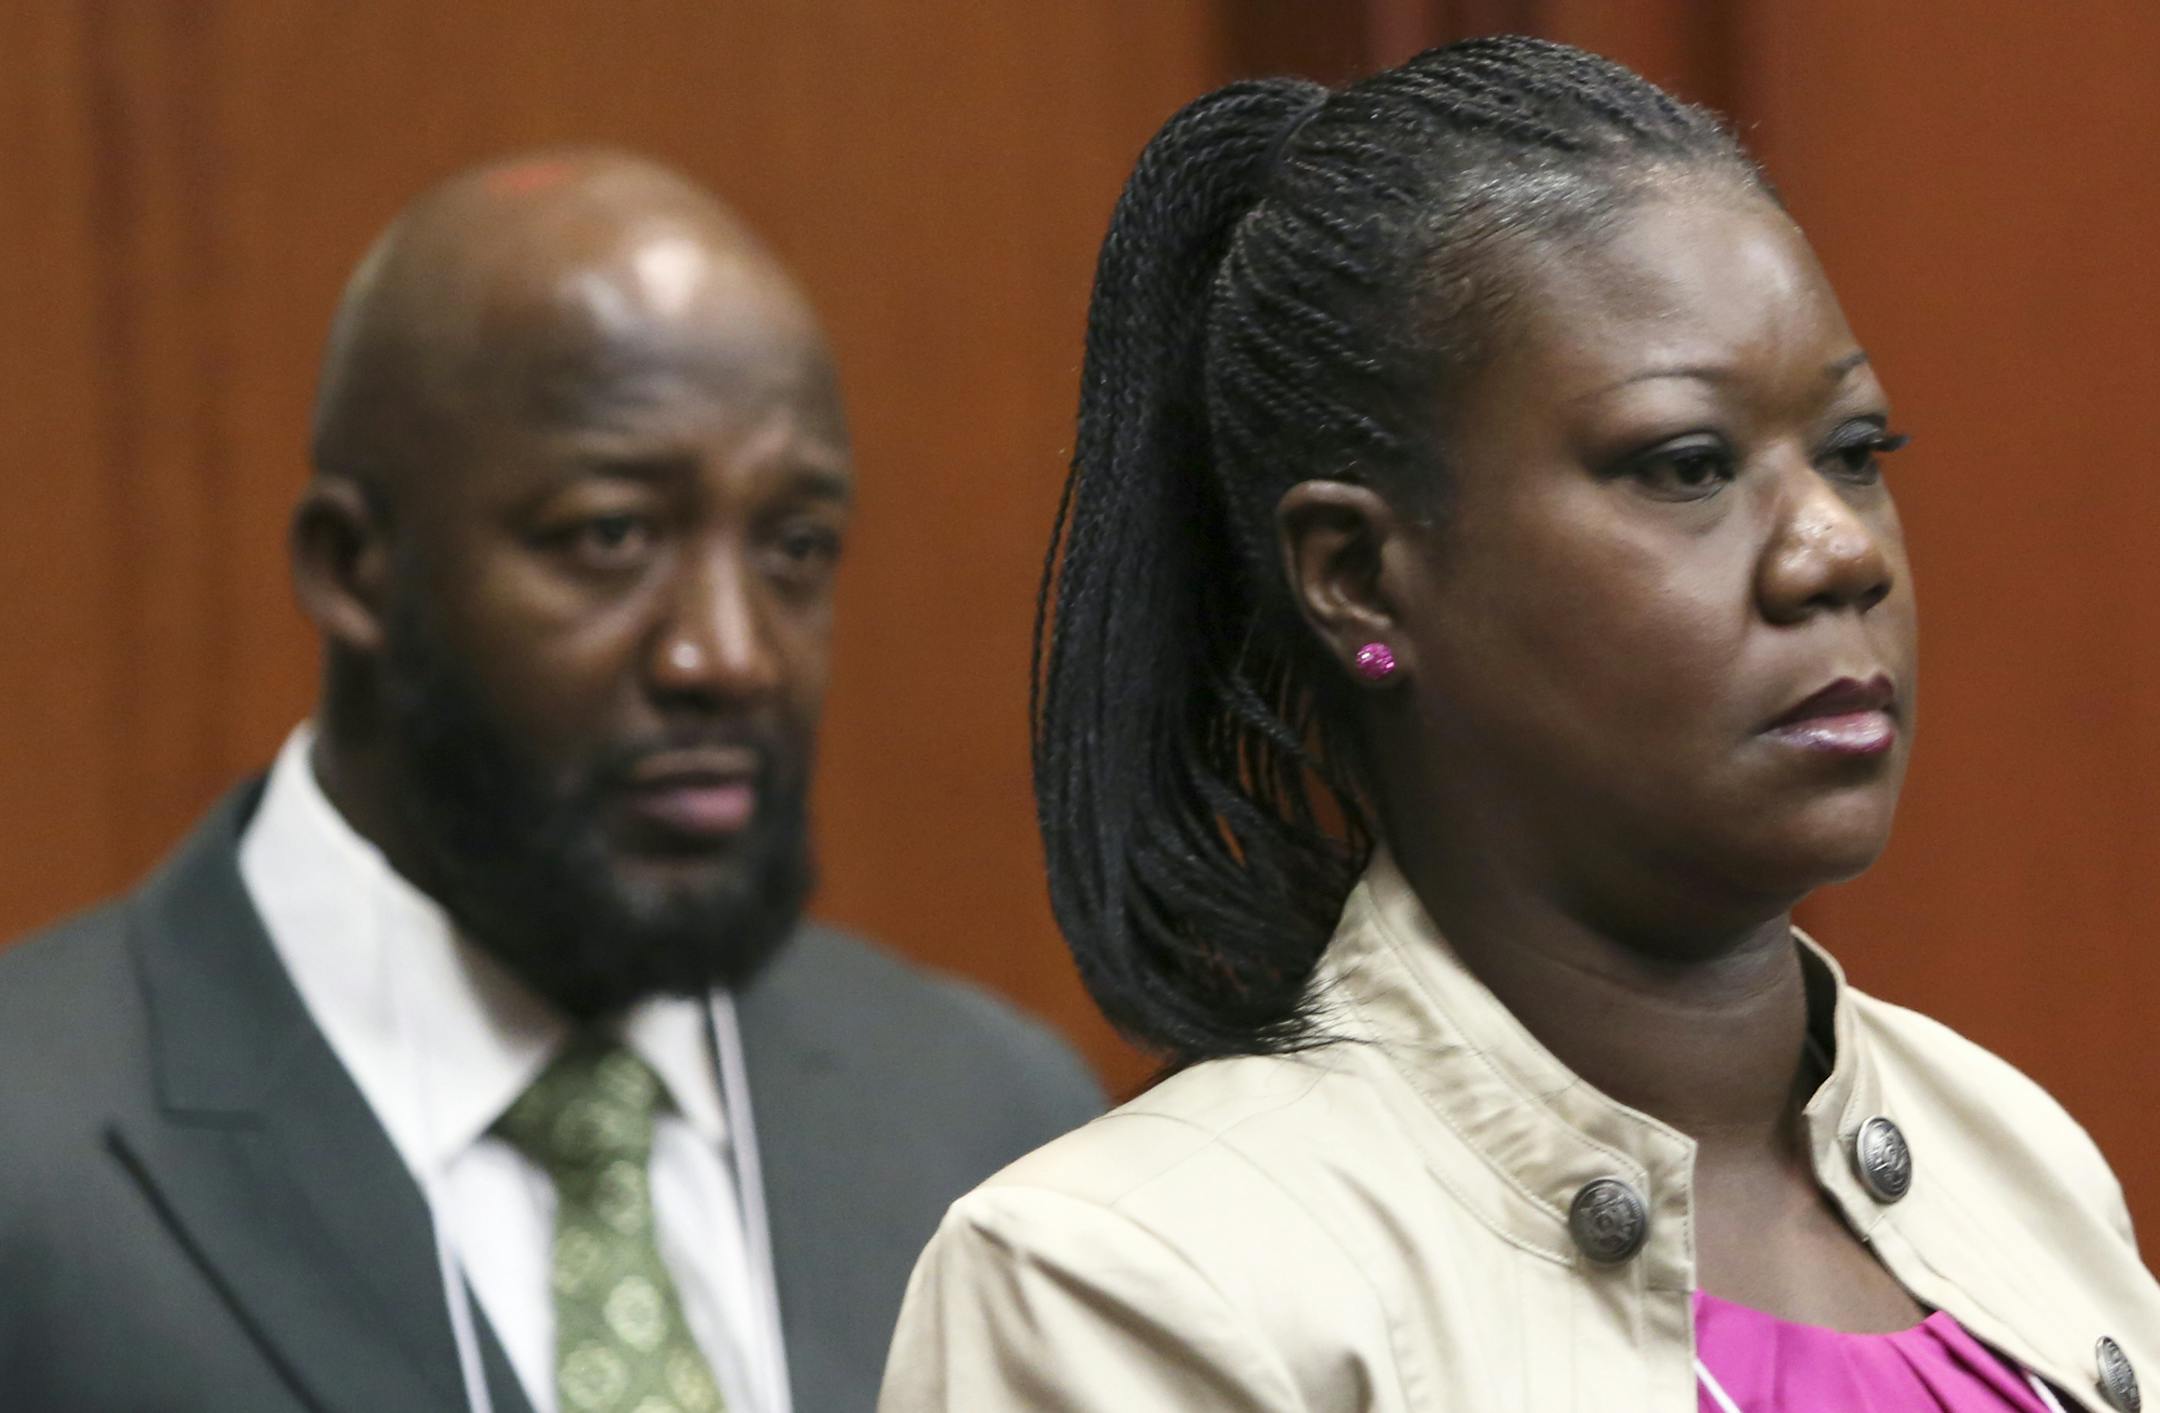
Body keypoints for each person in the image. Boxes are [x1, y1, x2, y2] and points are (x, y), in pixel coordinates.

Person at [881, 36, 2160, 1413]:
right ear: (1362, 574)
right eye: (1687, 466)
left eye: (1855, 453)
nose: (1836, 548)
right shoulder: (1127, 1283)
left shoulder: (2010, 1153)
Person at [0, 150, 1101, 1413]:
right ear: (355, 569)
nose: (729, 656)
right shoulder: (31, 1151)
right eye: (610, 536)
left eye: (794, 547)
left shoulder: (988, 1121)